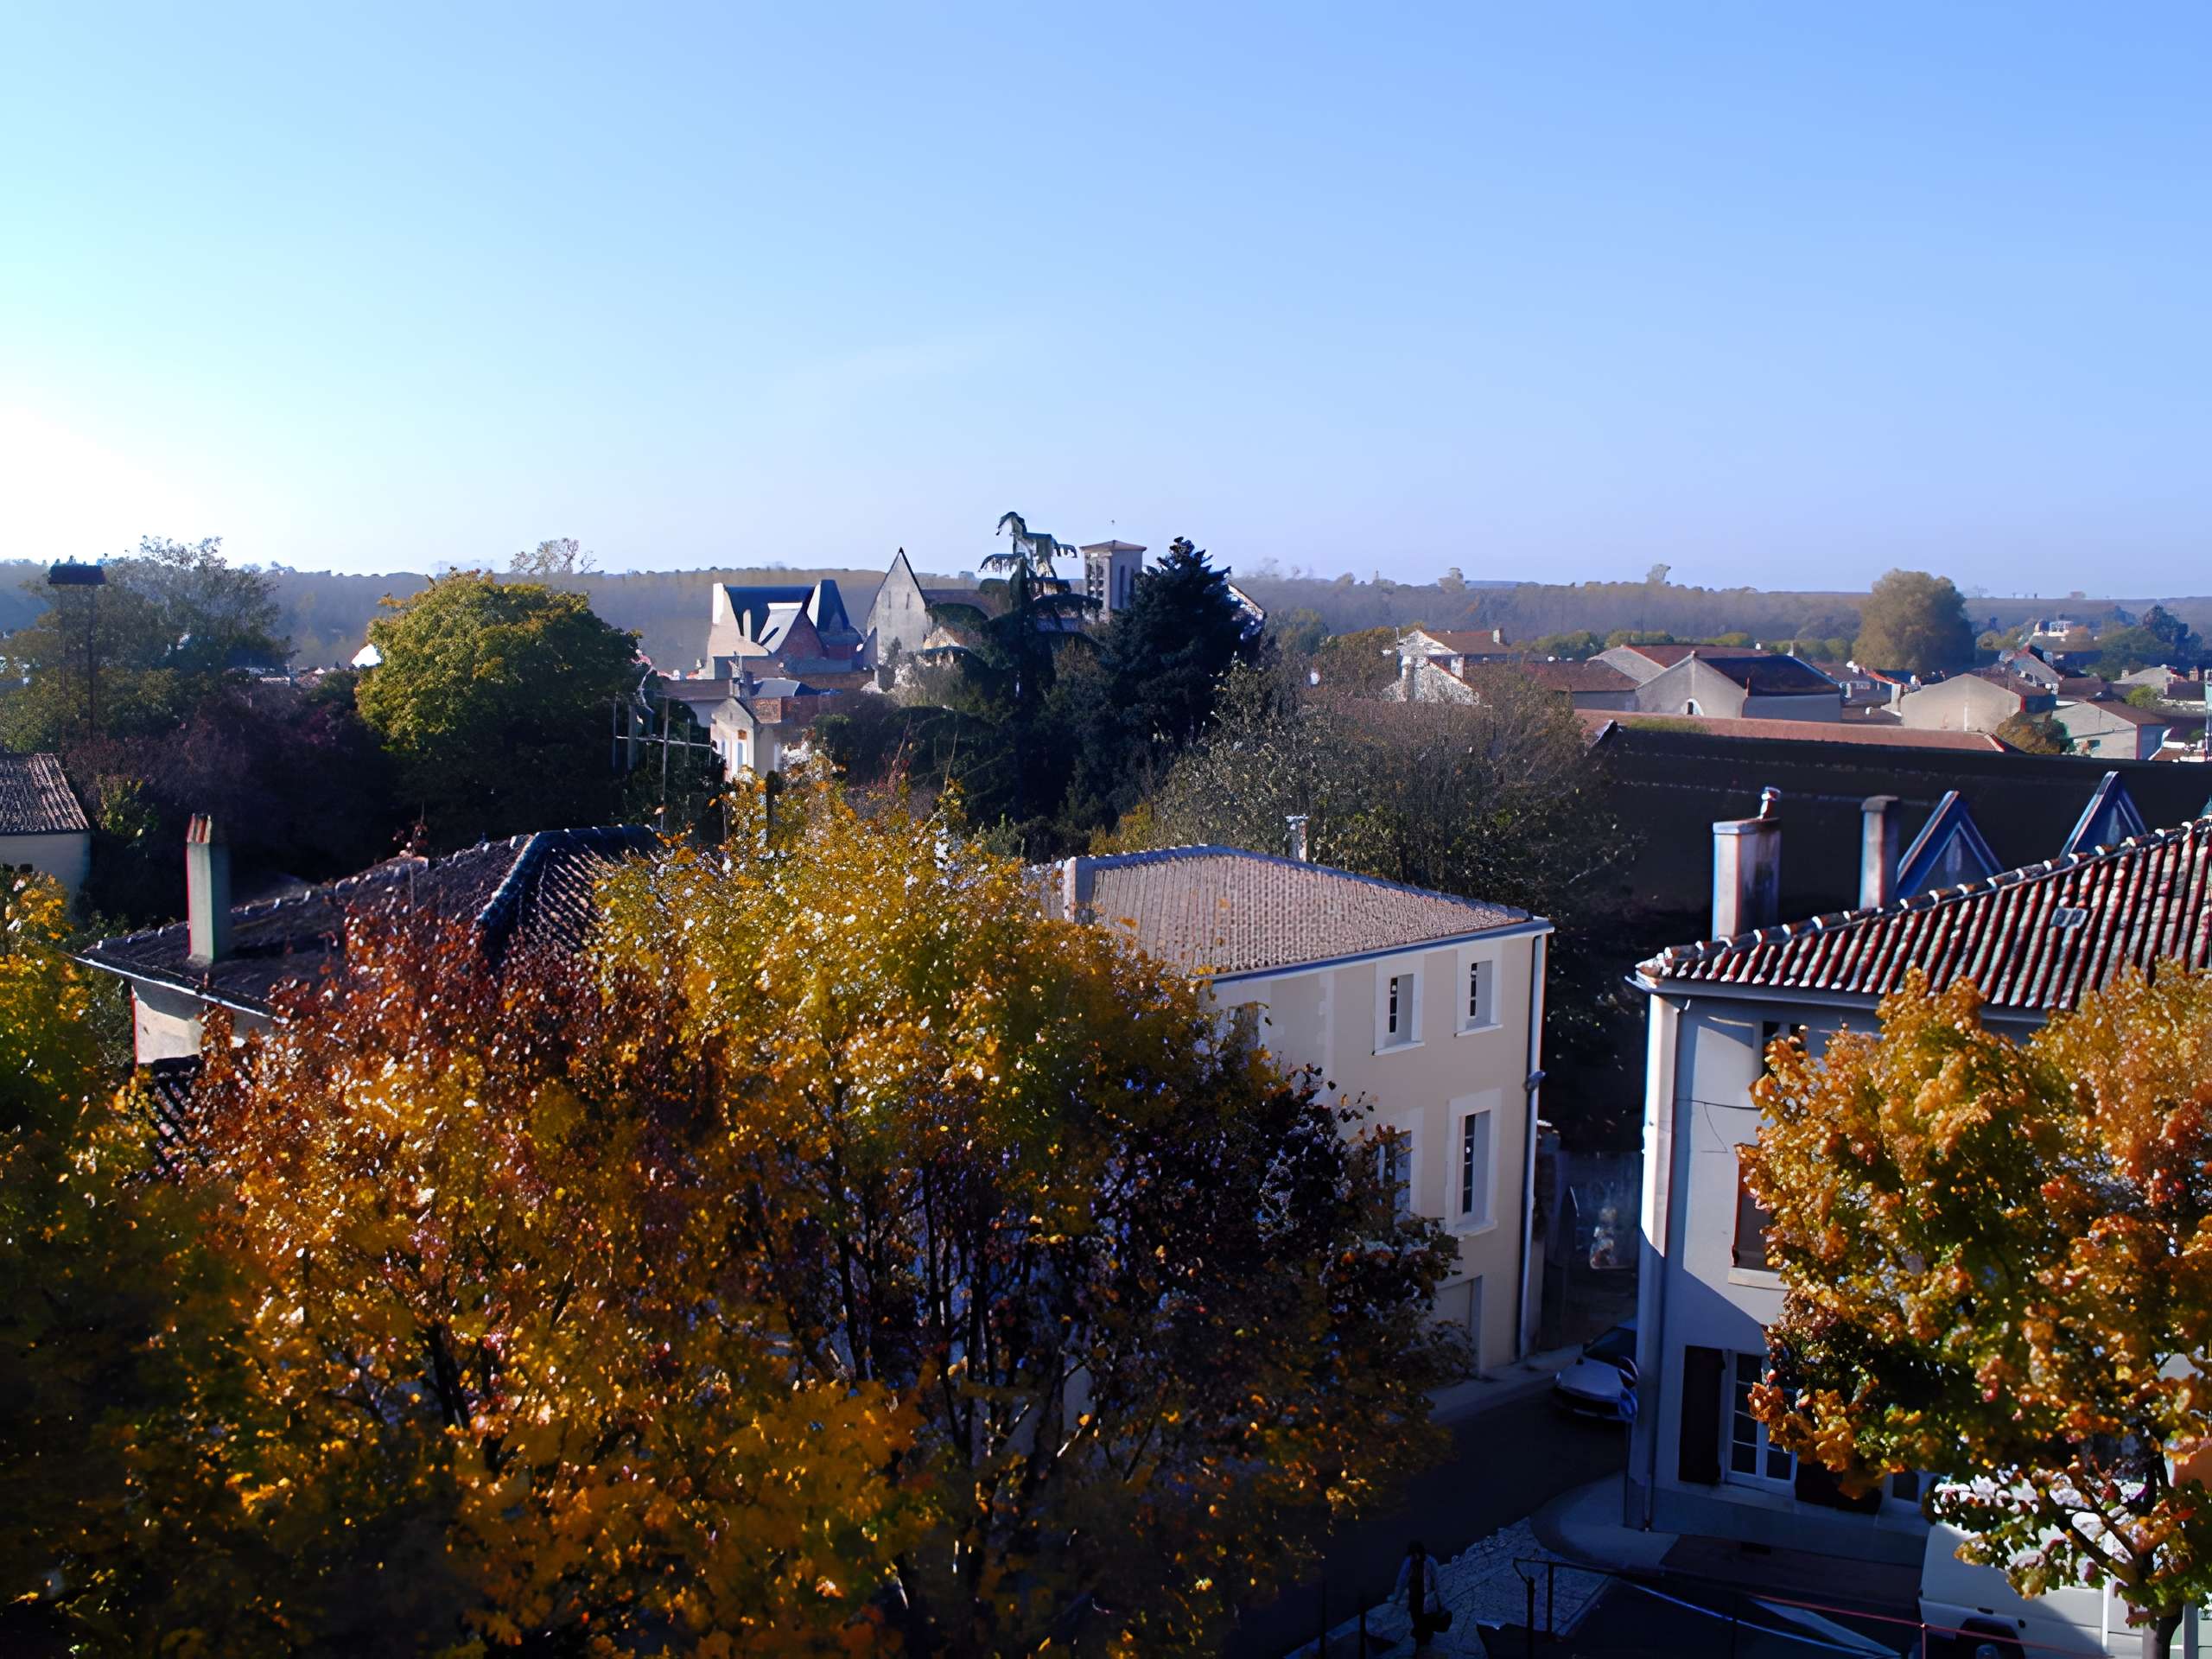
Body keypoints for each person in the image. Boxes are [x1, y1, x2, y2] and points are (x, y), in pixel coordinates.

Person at [1391, 1539, 1447, 1652]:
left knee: (1425, 1622)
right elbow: (1401, 1580)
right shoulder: (1409, 1562)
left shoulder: (1430, 1562)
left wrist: (1441, 1602)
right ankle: (1422, 1643)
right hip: (1415, 1598)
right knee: (1417, 1621)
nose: (1414, 1556)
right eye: (1412, 1554)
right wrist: (1397, 1596)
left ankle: (1425, 1642)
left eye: (1415, 1553)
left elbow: (1437, 1583)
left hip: (1428, 1599)